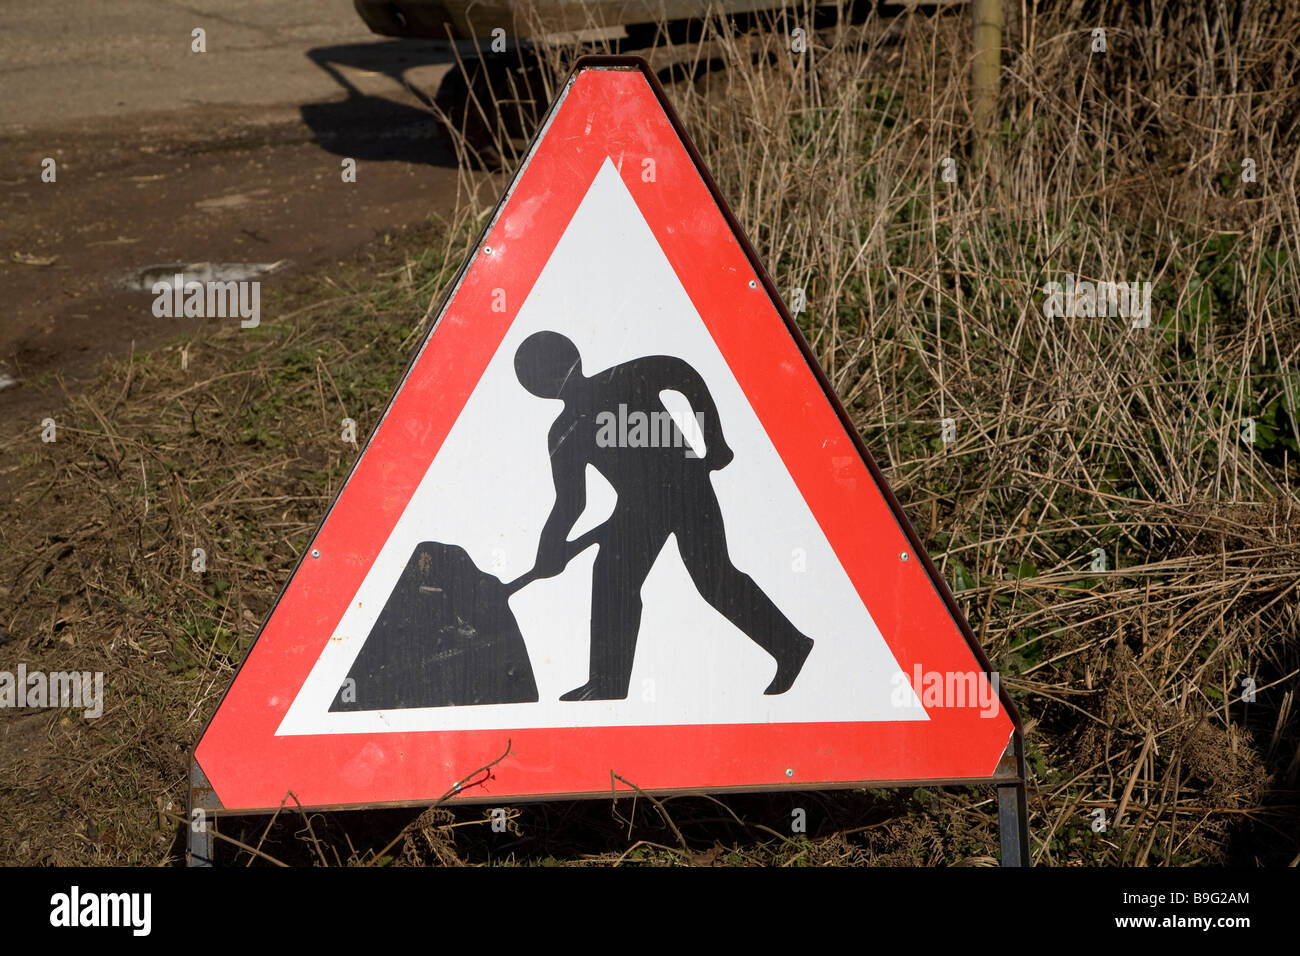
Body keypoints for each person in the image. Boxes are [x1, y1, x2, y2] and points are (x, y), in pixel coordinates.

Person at [514, 330, 814, 702]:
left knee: (713, 577)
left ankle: (790, 645)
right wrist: (550, 548)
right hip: (638, 506)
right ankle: (607, 682)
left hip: (686, 486)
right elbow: (571, 502)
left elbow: (684, 374)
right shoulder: (565, 432)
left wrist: (714, 440)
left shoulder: (623, 378)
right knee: (612, 578)